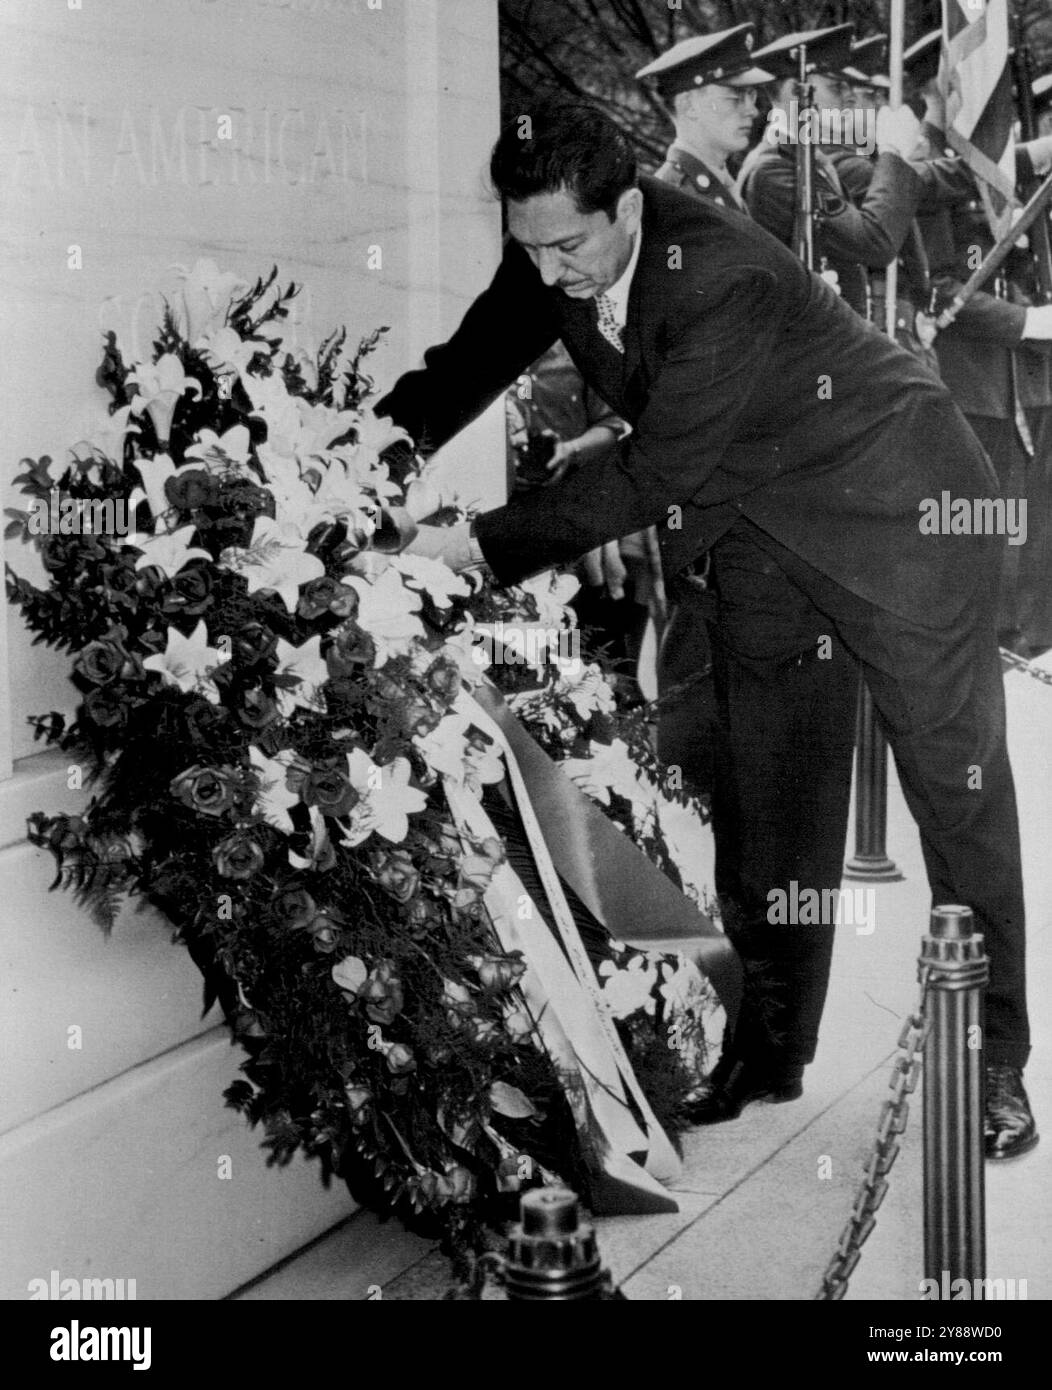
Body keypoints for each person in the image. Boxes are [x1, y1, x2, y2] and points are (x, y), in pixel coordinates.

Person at [375, 99, 1037, 1160]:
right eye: (529, 248)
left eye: (567, 247)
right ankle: (768, 1052)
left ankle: (993, 1058)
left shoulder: (717, 273)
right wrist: (343, 472)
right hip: (758, 528)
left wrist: (469, 547)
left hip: (896, 510)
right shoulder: (554, 245)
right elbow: (460, 371)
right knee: (763, 783)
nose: (548, 273)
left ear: (629, 208)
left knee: (950, 785)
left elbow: (654, 472)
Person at [635, 23, 774, 792]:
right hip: (703, 458)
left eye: (753, 98)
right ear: (688, 102)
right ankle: (682, 816)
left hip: (740, 454)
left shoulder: (720, 195)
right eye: (734, 97)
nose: (751, 111)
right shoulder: (669, 201)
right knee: (696, 642)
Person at [907, 31, 1052, 657]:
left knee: (1031, 532)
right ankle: (993, 649)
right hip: (969, 382)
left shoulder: (992, 160)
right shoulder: (920, 170)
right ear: (933, 94)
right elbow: (940, 288)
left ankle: (1029, 644)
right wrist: (1035, 325)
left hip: (1025, 380)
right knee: (985, 529)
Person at [504, 341, 653, 677]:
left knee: (563, 611)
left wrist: (569, 450)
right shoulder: (498, 348)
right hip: (503, 501)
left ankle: (564, 698)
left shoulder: (582, 354)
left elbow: (611, 427)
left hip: (567, 506)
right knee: (507, 617)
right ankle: (515, 687)